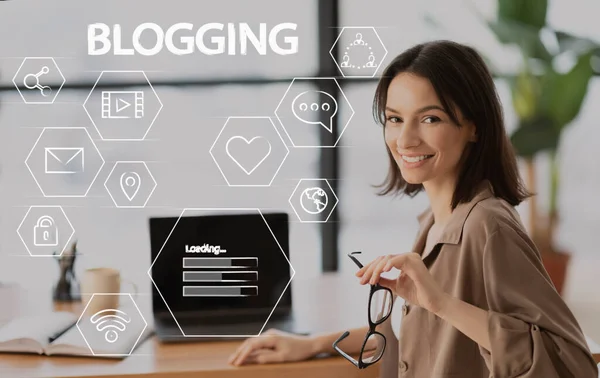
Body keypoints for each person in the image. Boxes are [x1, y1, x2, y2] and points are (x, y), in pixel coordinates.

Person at [227, 40, 599, 377]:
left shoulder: (488, 226)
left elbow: (570, 363)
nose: (405, 139)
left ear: (474, 127)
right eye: (394, 118)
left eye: (430, 118)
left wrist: (439, 302)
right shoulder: (435, 221)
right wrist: (312, 344)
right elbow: (419, 338)